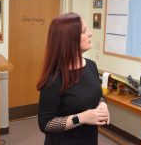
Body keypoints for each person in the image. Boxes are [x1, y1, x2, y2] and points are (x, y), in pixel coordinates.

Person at [37, 12, 110, 145]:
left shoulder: (91, 65)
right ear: (69, 39)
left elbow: (97, 94)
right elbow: (46, 124)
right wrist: (81, 118)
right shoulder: (54, 78)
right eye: (84, 31)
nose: (90, 33)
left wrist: (102, 104)